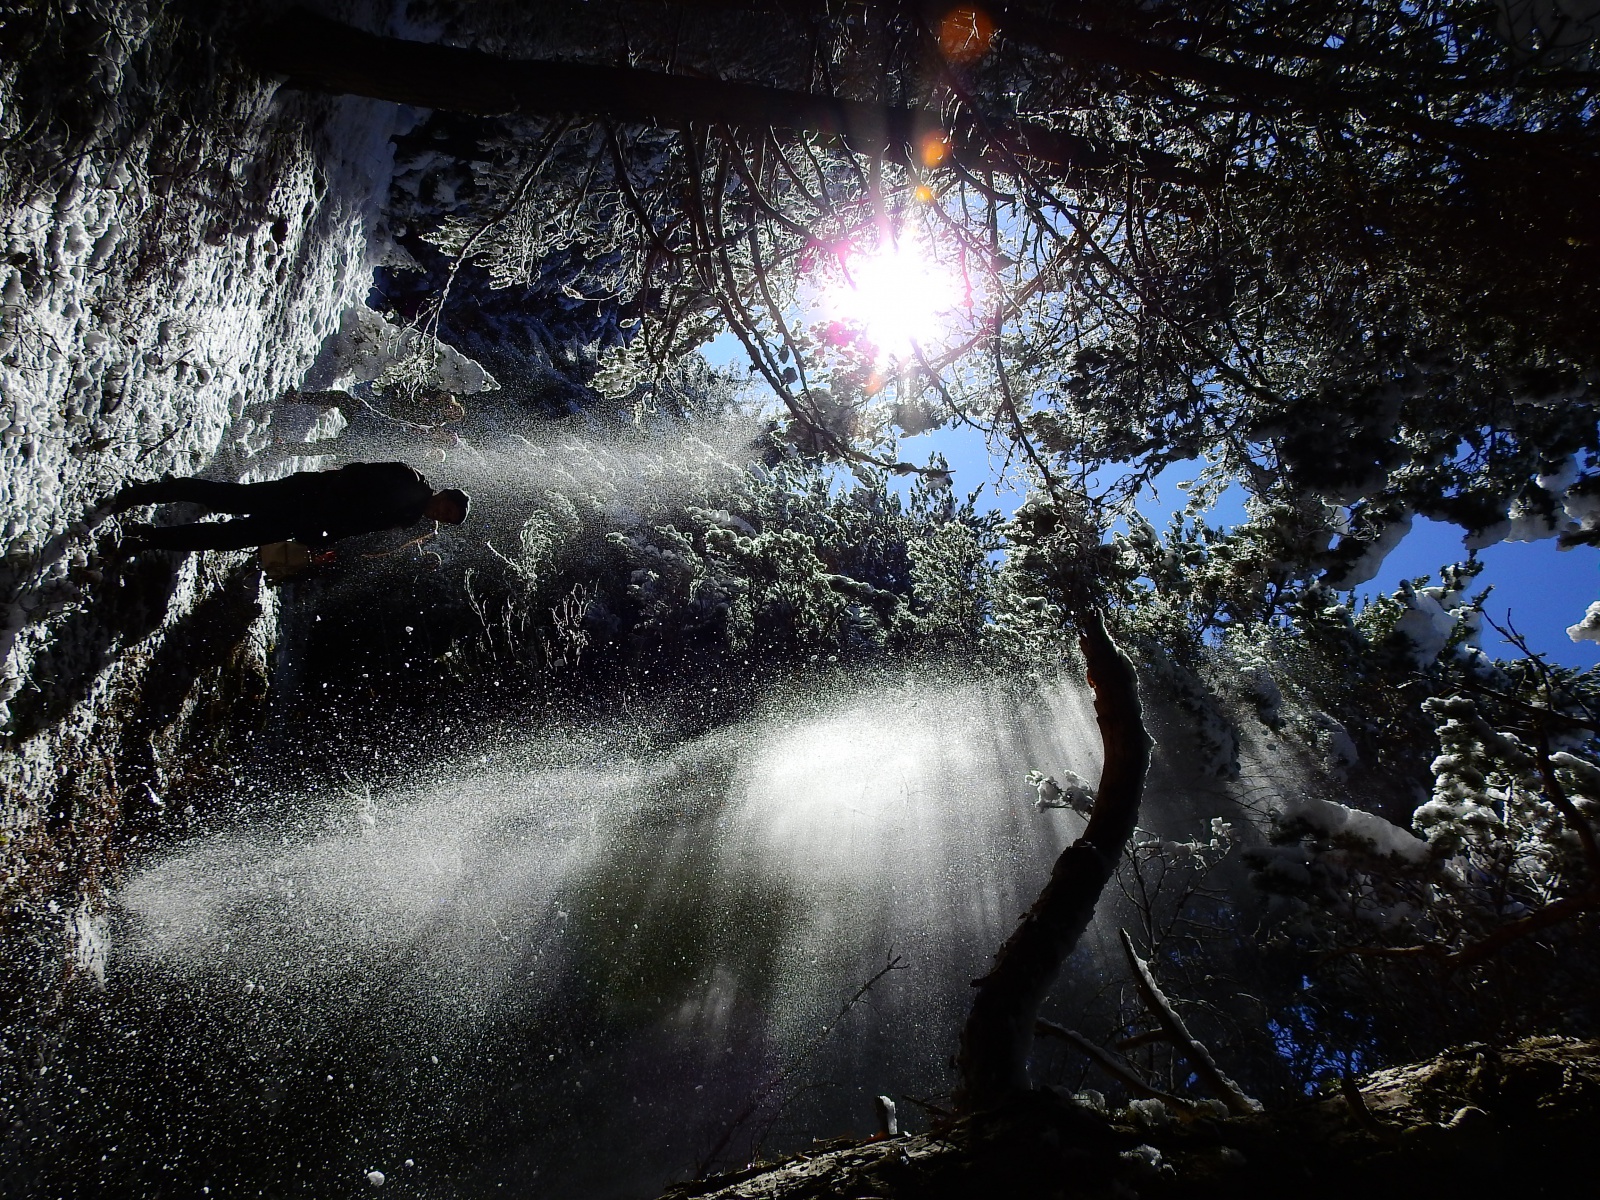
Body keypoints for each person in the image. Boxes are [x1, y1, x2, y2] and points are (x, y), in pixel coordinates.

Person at [111, 461, 470, 552]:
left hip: (304, 522)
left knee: (227, 537)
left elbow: (358, 525)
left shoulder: (407, 519)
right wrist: (325, 506)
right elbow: (352, 475)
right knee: (227, 498)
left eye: (447, 520)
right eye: (447, 509)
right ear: (444, 495)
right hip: (302, 495)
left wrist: (324, 536)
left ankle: (149, 539)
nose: (441, 516)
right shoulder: (408, 478)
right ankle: (142, 493)